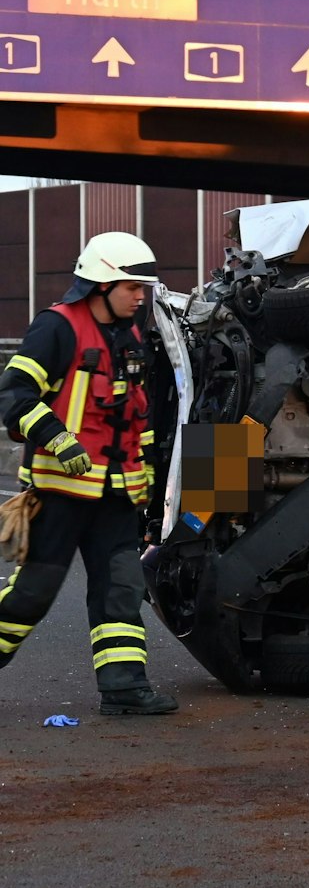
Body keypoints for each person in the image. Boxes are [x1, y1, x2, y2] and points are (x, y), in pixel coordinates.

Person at [0, 231, 175, 714]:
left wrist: (147, 486)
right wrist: (56, 437)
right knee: (31, 596)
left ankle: (124, 691)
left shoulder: (133, 336)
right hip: (59, 494)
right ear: (101, 285)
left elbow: (138, 419)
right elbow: (13, 396)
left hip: (116, 497)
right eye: (133, 288)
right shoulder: (56, 328)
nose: (141, 296)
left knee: (122, 591)